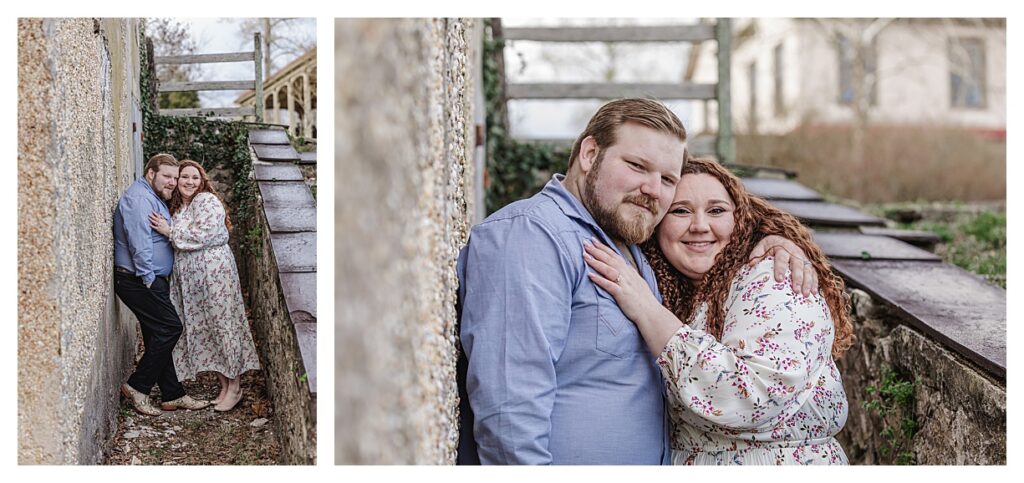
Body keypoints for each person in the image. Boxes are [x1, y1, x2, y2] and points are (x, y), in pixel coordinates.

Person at [456, 98, 819, 465]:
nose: (653, 189)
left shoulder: (630, 248)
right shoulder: (532, 235)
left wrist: (773, 237)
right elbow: (509, 411)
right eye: (636, 166)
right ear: (589, 153)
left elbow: (710, 231)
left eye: (667, 180)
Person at [583, 157, 853, 465]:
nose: (699, 226)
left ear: (741, 220)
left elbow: (750, 398)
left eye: (716, 210)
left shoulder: (775, 278)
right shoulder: (676, 289)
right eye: (680, 211)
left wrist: (645, 308)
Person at [149, 160, 261, 412]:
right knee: (205, 329)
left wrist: (170, 232)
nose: (189, 182)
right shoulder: (179, 206)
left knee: (223, 325)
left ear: (202, 181)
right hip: (190, 281)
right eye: (184, 177)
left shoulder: (206, 201)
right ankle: (223, 385)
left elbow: (205, 234)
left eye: (194, 178)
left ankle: (235, 387)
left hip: (214, 274)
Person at [114, 153, 209, 416]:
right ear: (151, 174)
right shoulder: (139, 199)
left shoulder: (152, 196)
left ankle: (172, 394)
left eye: (174, 177)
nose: (172, 182)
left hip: (149, 279)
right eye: (167, 176)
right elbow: (139, 243)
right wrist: (148, 279)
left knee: (158, 334)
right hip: (139, 280)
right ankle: (137, 386)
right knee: (171, 327)